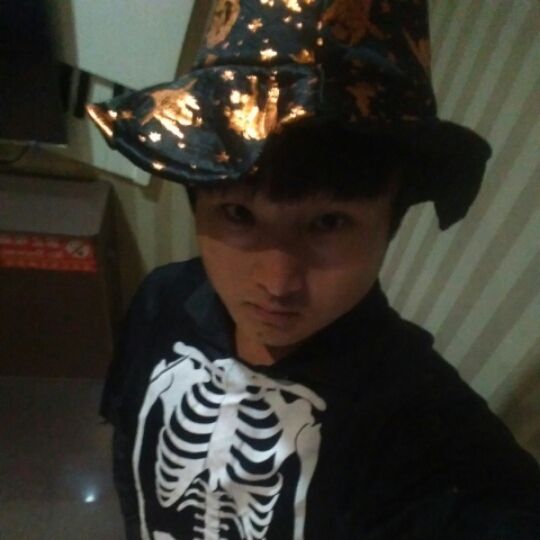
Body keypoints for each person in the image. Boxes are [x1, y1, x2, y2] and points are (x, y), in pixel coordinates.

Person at [87, 1, 540, 538]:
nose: (277, 283)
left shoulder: (421, 421)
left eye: (329, 223)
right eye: (238, 214)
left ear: (391, 223)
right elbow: (129, 447)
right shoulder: (160, 299)